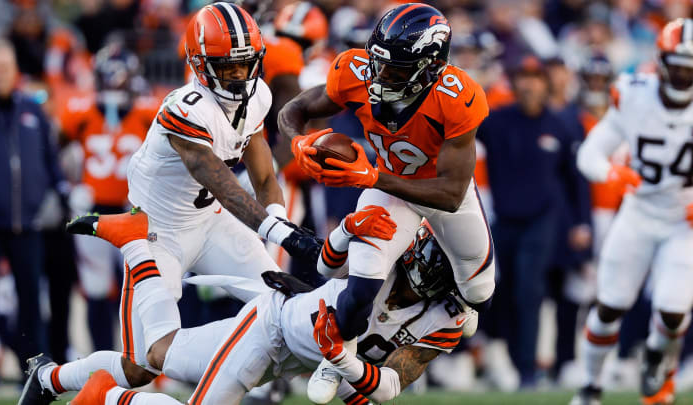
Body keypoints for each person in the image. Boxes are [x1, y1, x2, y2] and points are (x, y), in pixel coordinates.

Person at [17, 4, 321, 405]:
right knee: (141, 366)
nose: (239, 75)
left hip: (213, 222)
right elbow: (217, 178)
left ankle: (263, 389)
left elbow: (263, 175)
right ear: (200, 64)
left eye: (246, 64)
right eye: (227, 66)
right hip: (158, 231)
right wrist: (277, 231)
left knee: (284, 307)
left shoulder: (258, 95)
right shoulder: (187, 107)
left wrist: (280, 221)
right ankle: (50, 377)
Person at [278, 3, 495, 402]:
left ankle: (456, 307)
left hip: (442, 193)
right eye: (377, 62)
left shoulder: (458, 97)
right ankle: (338, 354)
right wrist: (299, 141)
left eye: (393, 68)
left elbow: (449, 193)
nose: (378, 75)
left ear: (429, 67)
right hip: (389, 187)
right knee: (361, 285)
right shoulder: (355, 71)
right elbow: (296, 109)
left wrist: (373, 176)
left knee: (481, 292)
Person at [70, 207, 473, 405]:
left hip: (296, 360)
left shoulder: (447, 319)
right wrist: (348, 229)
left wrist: (339, 362)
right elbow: (325, 264)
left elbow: (386, 387)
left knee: (158, 353)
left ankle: (137, 245)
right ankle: (105, 395)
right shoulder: (384, 255)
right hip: (270, 329)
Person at [571, 18, 693, 405]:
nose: (685, 74)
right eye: (679, 64)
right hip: (638, 212)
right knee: (609, 306)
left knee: (674, 311)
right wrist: (613, 172)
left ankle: (659, 358)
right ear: (660, 61)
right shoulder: (634, 93)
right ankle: (590, 387)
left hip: (683, 220)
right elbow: (590, 152)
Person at [476, 55, 591, 387]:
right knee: (502, 291)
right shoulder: (496, 121)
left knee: (530, 290)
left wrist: (581, 223)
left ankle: (528, 370)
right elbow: (459, 134)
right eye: (522, 77)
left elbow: (576, 179)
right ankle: (507, 362)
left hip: (543, 219)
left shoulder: (561, 124)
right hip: (503, 218)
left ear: (546, 82)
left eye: (535, 77)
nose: (529, 84)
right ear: (512, 83)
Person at [0, 39, 68, 387]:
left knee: (31, 301)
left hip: (27, 223)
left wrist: (63, 190)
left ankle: (35, 375)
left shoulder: (31, 109)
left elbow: (50, 158)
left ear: (15, 72)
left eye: (4, 68)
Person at [60, 42, 158, 351]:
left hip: (135, 211)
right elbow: (56, 151)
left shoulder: (148, 113)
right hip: (94, 210)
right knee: (97, 287)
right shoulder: (81, 114)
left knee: (146, 284)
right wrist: (70, 185)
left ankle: (148, 360)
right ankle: (102, 356)